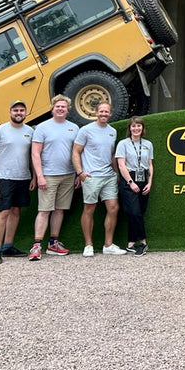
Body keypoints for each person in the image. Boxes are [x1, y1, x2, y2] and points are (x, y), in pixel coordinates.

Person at [0, 100, 35, 264]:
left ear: (25, 113)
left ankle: (8, 246)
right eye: (16, 110)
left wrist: (33, 176)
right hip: (3, 177)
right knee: (3, 212)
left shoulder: (30, 131)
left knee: (15, 212)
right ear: (10, 112)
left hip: (23, 177)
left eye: (21, 110)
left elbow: (32, 155)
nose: (19, 113)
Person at [29, 94, 79, 261]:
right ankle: (36, 246)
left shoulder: (74, 128)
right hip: (48, 176)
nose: (60, 109)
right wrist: (40, 176)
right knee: (44, 211)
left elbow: (77, 153)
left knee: (59, 210)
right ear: (52, 108)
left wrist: (79, 172)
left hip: (68, 175)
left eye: (63, 107)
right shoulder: (42, 128)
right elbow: (35, 154)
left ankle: (53, 243)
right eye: (57, 106)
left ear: (68, 110)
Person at [72, 102, 125, 256]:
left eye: (106, 112)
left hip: (108, 176)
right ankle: (88, 245)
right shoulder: (85, 130)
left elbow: (112, 153)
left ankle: (108, 245)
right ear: (96, 113)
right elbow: (76, 151)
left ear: (110, 113)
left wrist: (116, 173)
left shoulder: (112, 131)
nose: (103, 114)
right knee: (89, 209)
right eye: (101, 111)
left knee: (113, 208)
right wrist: (80, 172)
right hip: (91, 176)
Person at [116, 116, 154, 256]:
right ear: (129, 128)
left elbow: (150, 165)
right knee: (134, 211)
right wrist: (131, 182)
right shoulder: (123, 144)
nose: (136, 128)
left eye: (139, 126)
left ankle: (131, 244)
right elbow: (121, 164)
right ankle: (143, 243)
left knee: (139, 212)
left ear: (142, 128)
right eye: (133, 126)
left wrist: (150, 183)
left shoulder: (148, 144)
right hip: (129, 180)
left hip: (144, 179)